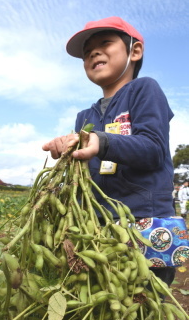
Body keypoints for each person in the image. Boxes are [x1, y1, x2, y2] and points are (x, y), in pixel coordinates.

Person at [42, 16, 188, 287]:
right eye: (87, 53)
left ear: (134, 51)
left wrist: (102, 141)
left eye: (105, 43)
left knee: (143, 308)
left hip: (144, 222)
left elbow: (154, 148)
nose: (93, 53)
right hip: (97, 225)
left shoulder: (145, 90)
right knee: (103, 309)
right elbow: (83, 170)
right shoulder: (84, 115)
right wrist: (67, 150)